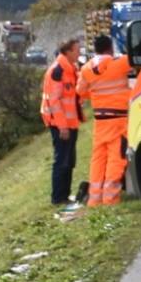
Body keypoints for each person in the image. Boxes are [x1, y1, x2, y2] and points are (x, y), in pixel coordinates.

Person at [77, 35, 132, 206]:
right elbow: (140, 61)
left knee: (98, 159)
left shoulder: (86, 69)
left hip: (100, 120)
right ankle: (110, 199)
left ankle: (94, 199)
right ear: (110, 48)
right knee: (116, 158)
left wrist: (95, 95)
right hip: (119, 120)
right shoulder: (119, 63)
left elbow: (81, 91)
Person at [40, 39, 82, 205]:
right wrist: (62, 126)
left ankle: (65, 195)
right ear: (68, 52)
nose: (79, 52)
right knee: (62, 161)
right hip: (61, 125)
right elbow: (55, 102)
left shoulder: (70, 69)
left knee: (69, 161)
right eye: (77, 50)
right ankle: (58, 198)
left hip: (69, 123)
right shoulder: (57, 71)